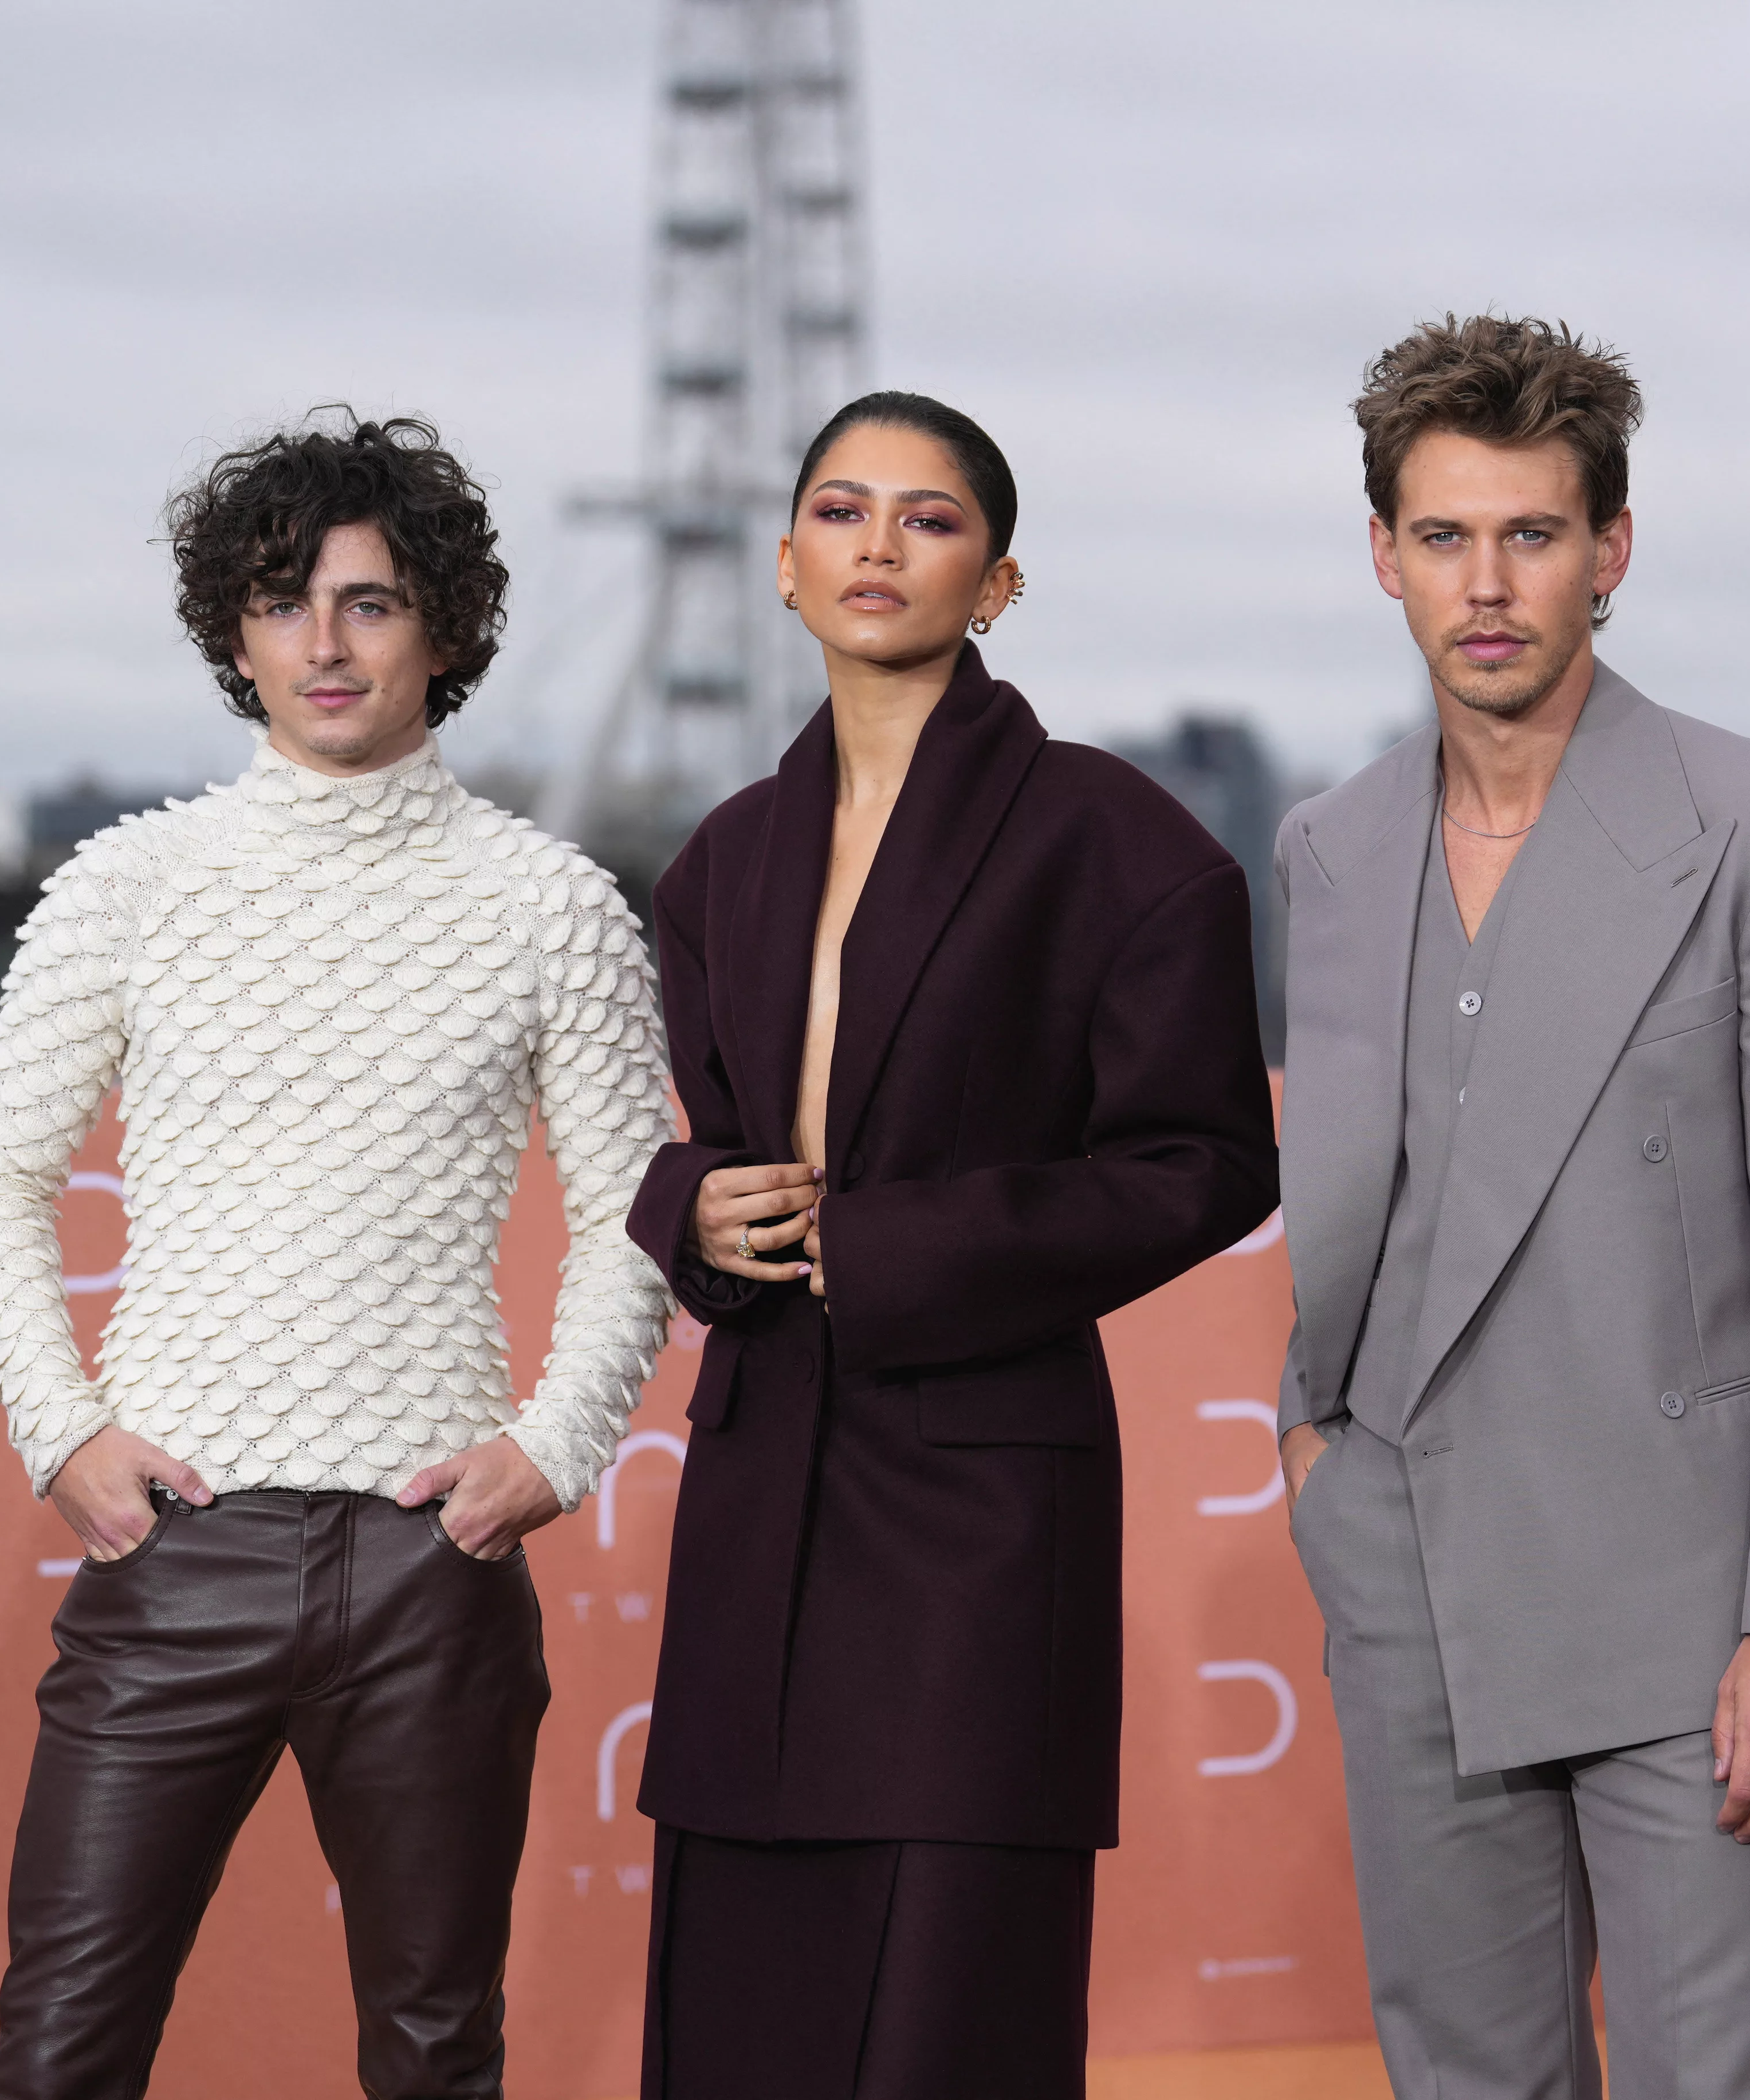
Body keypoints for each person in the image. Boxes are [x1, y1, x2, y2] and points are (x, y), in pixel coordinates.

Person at [0, 412, 673, 2099]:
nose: (324, 645)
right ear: (233, 635)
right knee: (59, 2053)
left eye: (368, 601)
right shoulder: (129, 885)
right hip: (175, 1557)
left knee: (433, 2053)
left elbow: (637, 1213)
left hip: (433, 1572)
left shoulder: (555, 907)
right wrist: (62, 1430)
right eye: (282, 604)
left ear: (447, 631)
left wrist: (554, 1449)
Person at [622, 391, 1280, 2099]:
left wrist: (898, 1249)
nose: (877, 547)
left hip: (981, 1511)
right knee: (738, 2007)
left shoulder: (1115, 839)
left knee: (944, 2025)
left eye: (927, 520)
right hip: (764, 1486)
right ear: (783, 565)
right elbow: (683, 1152)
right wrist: (686, 1211)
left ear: (994, 584)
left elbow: (1205, 1163)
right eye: (840, 512)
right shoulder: (719, 862)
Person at [1273, 316, 1750, 2099]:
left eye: (1531, 535)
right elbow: (1350, 1178)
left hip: (1683, 1600)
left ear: (1608, 551)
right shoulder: (1330, 845)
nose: (1488, 585)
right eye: (1446, 537)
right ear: (1384, 557)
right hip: (1406, 1562)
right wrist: (1308, 1434)